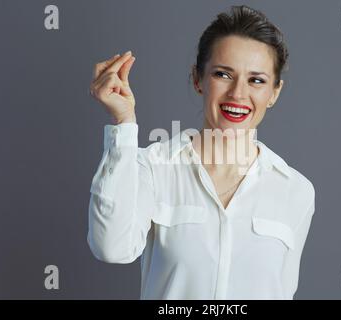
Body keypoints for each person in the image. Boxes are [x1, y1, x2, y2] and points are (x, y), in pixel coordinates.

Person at [87, 5, 315, 300]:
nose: (237, 94)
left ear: (274, 92)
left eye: (256, 80)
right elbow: (111, 248)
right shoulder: (154, 167)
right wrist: (124, 122)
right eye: (223, 74)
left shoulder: (295, 191)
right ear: (197, 79)